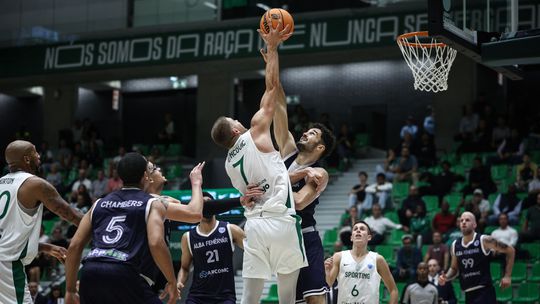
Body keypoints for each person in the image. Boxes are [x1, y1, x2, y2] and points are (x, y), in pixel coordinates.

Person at [210, 20, 304, 304]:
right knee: (287, 297)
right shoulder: (254, 132)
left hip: (254, 226)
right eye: (233, 120)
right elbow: (272, 88)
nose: (237, 119)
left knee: (249, 299)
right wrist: (272, 50)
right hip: (280, 220)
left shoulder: (228, 163)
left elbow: (247, 198)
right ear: (236, 130)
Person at [64, 152, 182, 304]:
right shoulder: (152, 203)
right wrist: (172, 281)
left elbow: (74, 245)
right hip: (123, 271)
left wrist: (70, 289)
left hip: (91, 271)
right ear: (146, 175)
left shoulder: (98, 203)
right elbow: (156, 243)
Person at [270, 55, 336, 303]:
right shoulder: (288, 150)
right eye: (308, 130)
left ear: (320, 148)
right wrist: (272, 55)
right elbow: (278, 102)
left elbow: (298, 202)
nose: (306, 132)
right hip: (283, 239)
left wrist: (278, 180)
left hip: (305, 236)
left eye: (313, 133)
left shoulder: (320, 173)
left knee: (315, 301)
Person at [0, 140, 83, 304]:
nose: (39, 156)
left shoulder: (2, 183)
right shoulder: (34, 184)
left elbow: (7, 236)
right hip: (7, 265)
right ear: (27, 159)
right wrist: (103, 228)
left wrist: (46, 247)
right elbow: (70, 214)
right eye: (35, 152)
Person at [140, 160, 206, 299]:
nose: (159, 169)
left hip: (144, 274)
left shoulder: (160, 201)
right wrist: (196, 183)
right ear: (148, 178)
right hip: (135, 275)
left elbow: (180, 204)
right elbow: (194, 213)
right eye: (155, 168)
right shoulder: (152, 202)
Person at [177, 192, 245, 303]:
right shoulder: (188, 237)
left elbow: (253, 250)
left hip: (224, 297)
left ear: (216, 206)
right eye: (203, 204)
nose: (206, 207)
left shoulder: (231, 229)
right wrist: (179, 282)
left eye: (209, 203)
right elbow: (184, 268)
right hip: (197, 297)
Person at [439, 211, 515, 304]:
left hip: (485, 292)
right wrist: (446, 277)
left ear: (474, 224)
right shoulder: (455, 245)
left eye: (467, 220)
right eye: (461, 220)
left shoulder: (484, 240)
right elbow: (454, 269)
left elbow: (510, 250)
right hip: (468, 294)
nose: (463, 222)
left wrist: (507, 276)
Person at [325, 221, 398, 304]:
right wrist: (327, 271)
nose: (358, 230)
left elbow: (393, 291)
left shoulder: (378, 259)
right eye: (355, 229)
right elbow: (328, 284)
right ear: (351, 237)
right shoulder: (339, 257)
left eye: (362, 229)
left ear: (369, 237)